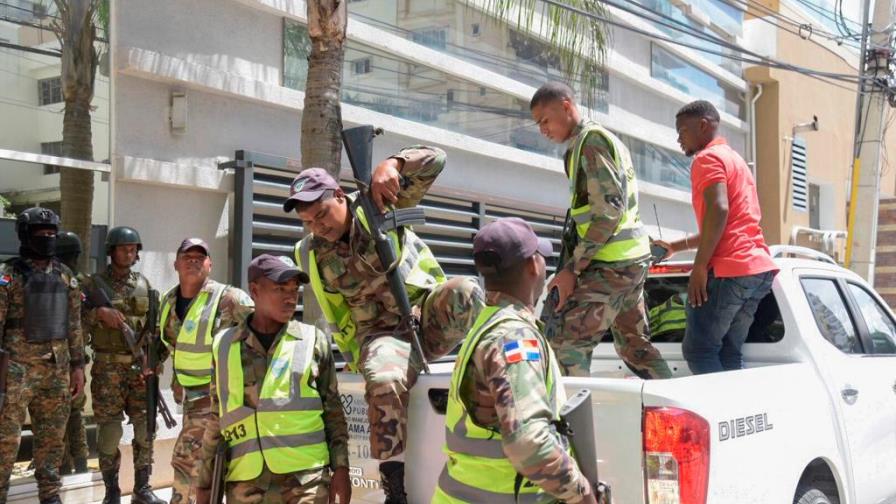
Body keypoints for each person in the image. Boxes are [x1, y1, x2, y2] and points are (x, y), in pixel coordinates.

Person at [285, 149, 484, 503]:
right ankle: (394, 484)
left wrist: (393, 165)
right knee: (381, 379)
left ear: (339, 197)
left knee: (467, 292)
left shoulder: (377, 205)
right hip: (382, 336)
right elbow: (337, 315)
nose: (319, 227)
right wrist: (355, 356)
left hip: (424, 314)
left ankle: (483, 359)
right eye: (309, 222)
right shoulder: (310, 252)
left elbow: (437, 160)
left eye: (322, 215)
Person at [432, 217, 596, 504]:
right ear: (533, 265)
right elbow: (529, 444)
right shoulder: (515, 337)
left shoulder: (485, 324)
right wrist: (583, 495)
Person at [530, 81, 671, 379]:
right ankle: (680, 406)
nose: (542, 129)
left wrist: (573, 269)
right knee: (635, 347)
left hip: (611, 265)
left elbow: (608, 213)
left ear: (566, 106)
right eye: (538, 124)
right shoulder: (600, 141)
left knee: (566, 346)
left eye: (545, 120)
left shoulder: (591, 142)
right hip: (630, 263)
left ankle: (573, 423)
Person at [195, 254, 351, 504]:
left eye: (295, 289)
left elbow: (333, 412)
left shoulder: (313, 340)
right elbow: (217, 417)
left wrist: (341, 470)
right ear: (254, 291)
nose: (291, 297)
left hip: (305, 481)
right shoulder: (223, 345)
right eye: (280, 289)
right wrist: (204, 484)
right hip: (244, 483)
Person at [654, 100, 777, 374]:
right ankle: (735, 412)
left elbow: (719, 210)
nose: (678, 138)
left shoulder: (706, 158)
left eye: (682, 131)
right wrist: (676, 246)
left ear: (703, 125)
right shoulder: (735, 160)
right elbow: (725, 223)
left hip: (729, 271)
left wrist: (699, 266)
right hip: (757, 269)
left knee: (699, 350)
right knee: (729, 352)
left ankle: (720, 416)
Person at [159, 238, 254, 504]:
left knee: (188, 462)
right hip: (192, 401)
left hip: (223, 398)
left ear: (210, 264)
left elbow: (265, 334)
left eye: (200, 257)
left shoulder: (230, 299)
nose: (193, 261)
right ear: (175, 263)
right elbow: (173, 345)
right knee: (206, 468)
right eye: (187, 256)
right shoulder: (168, 302)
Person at [0, 207, 86, 504]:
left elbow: (74, 324)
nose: (48, 239)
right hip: (15, 373)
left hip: (55, 372)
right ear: (26, 235)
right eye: (41, 234)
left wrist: (78, 366)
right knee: (5, 442)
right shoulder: (7, 276)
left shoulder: (65, 276)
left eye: (52, 234)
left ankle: (50, 497)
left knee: (51, 443)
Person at [81, 227, 165, 504]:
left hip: (139, 370)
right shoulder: (94, 285)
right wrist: (98, 314)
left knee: (144, 430)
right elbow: (74, 321)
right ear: (111, 251)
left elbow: (158, 330)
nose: (129, 253)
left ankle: (142, 489)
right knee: (109, 432)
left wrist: (155, 363)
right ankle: (111, 491)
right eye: (123, 248)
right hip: (107, 370)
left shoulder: (146, 285)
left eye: (133, 249)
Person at [55, 231, 90, 475]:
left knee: (59, 415)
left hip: (59, 359)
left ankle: (65, 463)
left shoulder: (60, 279)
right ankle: (80, 461)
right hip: (74, 358)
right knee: (74, 413)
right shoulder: (82, 281)